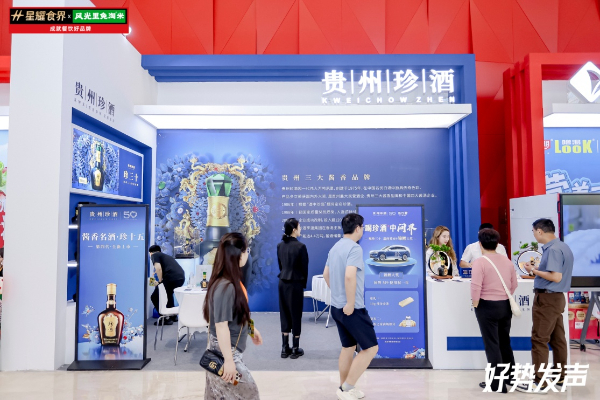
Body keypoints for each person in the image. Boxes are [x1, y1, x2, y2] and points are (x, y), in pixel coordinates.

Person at [323, 213, 378, 400]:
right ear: (358, 228)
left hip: (337, 307)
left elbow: (326, 274)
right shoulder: (355, 248)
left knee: (348, 347)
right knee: (371, 348)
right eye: (363, 227)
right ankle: (347, 387)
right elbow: (349, 275)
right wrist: (350, 302)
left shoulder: (335, 247)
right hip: (352, 308)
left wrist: (338, 294)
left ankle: (344, 388)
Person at [203, 232, 262, 400]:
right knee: (249, 394)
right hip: (225, 353)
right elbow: (221, 326)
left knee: (219, 396)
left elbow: (239, 313)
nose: (248, 254)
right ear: (239, 255)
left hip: (227, 351)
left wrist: (251, 330)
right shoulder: (225, 286)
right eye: (246, 250)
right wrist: (229, 361)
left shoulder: (233, 283)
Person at [516, 218, 573, 393]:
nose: (534, 234)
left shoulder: (553, 249)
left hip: (547, 299)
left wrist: (533, 270)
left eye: (534, 231)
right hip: (556, 298)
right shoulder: (563, 246)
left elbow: (556, 277)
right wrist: (537, 270)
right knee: (558, 339)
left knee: (539, 339)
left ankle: (539, 382)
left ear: (540, 231)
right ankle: (560, 378)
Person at [471, 229, 518, 393]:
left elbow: (475, 287)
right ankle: (510, 377)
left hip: (487, 306)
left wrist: (475, 304)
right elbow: (514, 284)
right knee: (504, 342)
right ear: (497, 244)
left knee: (492, 344)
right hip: (505, 305)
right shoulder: (507, 261)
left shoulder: (480, 262)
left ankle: (497, 384)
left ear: (480, 244)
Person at [277, 218, 309, 359]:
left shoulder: (280, 246)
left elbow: (281, 266)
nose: (301, 229)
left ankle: (284, 348)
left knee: (284, 313)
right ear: (294, 229)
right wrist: (303, 284)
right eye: (299, 226)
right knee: (296, 314)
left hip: (282, 282)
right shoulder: (301, 247)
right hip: (295, 283)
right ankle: (295, 348)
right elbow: (304, 269)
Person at [149, 244, 185, 325]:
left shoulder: (154, 255)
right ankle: (173, 316)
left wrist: (160, 281)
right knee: (169, 294)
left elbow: (158, 268)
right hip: (180, 278)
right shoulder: (166, 256)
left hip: (171, 277)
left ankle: (165, 318)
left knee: (154, 297)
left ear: (150, 253)